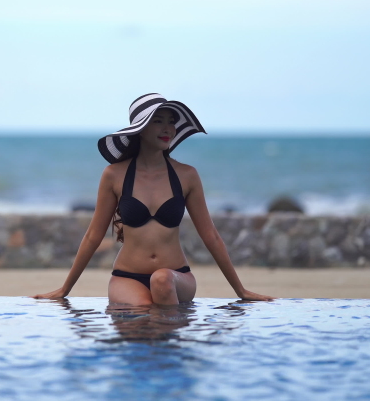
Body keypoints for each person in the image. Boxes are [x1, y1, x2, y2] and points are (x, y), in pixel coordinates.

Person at [33, 93, 273, 305]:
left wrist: (240, 290)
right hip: (127, 278)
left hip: (177, 277)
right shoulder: (114, 175)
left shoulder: (186, 175)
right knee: (142, 310)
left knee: (162, 280)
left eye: (171, 122)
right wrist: (65, 289)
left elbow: (210, 235)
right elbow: (93, 235)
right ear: (140, 128)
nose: (167, 128)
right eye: (158, 122)